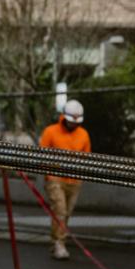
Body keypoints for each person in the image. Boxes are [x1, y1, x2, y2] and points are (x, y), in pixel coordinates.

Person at [39, 100, 90, 260]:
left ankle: (55, 241)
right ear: (64, 117)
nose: (73, 124)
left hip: (74, 180)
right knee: (60, 210)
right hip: (55, 178)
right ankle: (59, 243)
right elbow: (42, 154)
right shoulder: (50, 132)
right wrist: (49, 172)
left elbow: (86, 157)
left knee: (65, 213)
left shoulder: (83, 134)